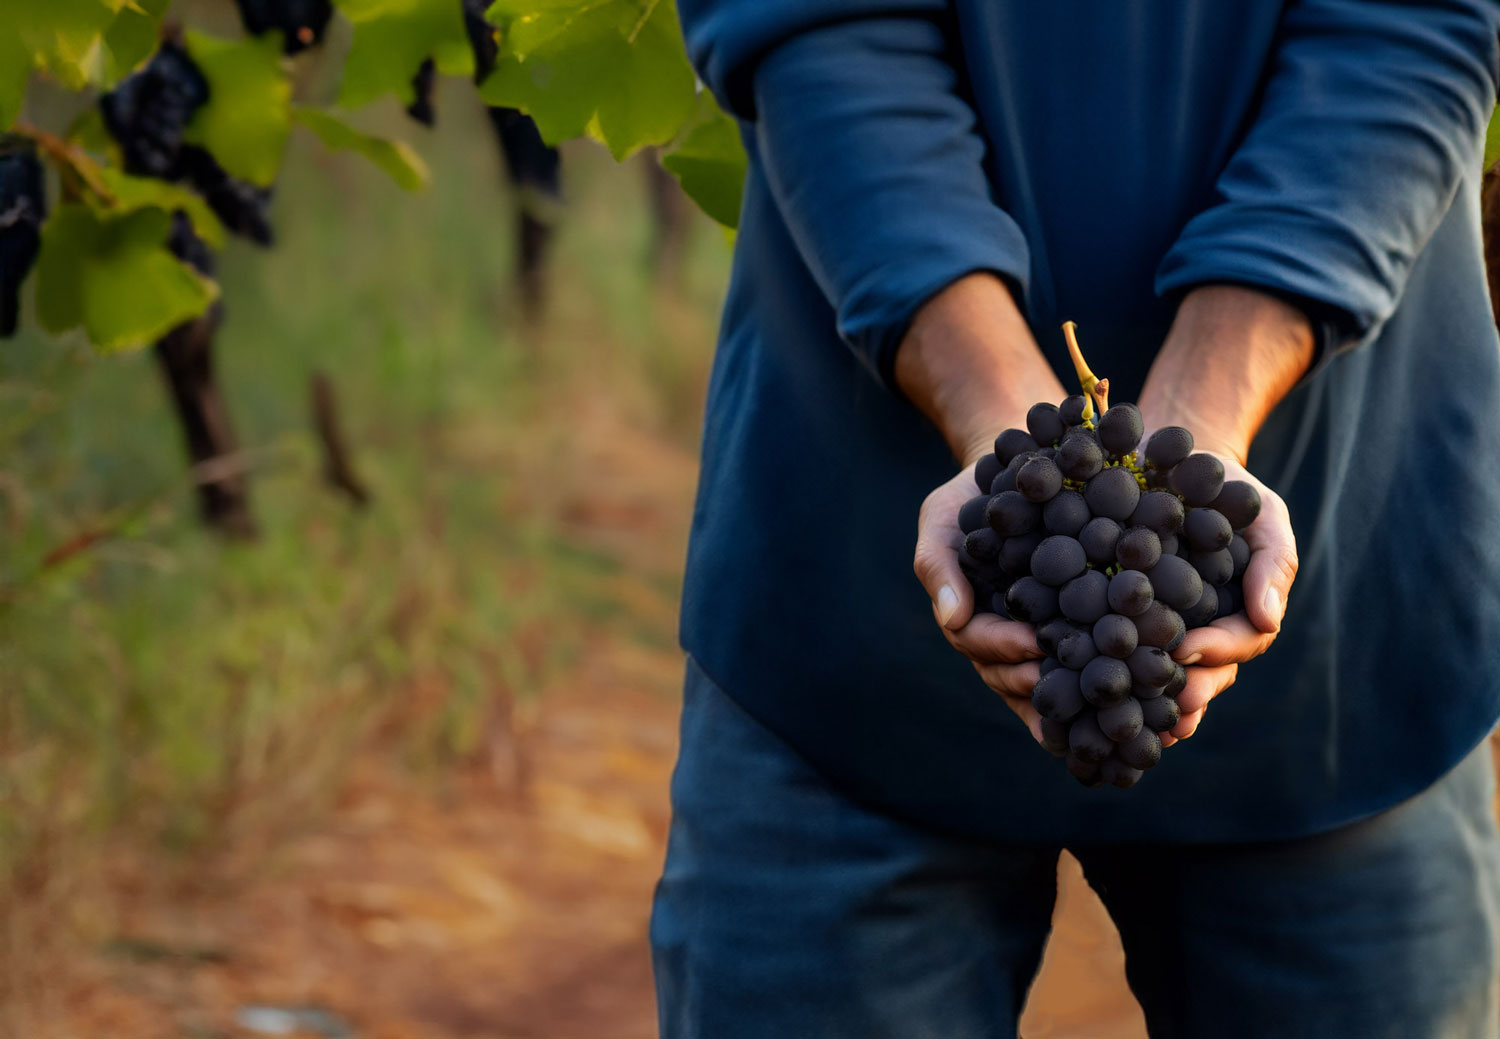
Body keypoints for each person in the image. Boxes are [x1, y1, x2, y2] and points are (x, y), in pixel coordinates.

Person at [650, 2, 1500, 1036]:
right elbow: (818, 24)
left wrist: (1194, 424)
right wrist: (1013, 432)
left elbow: (1408, 27)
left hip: (1343, 653)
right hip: (847, 643)